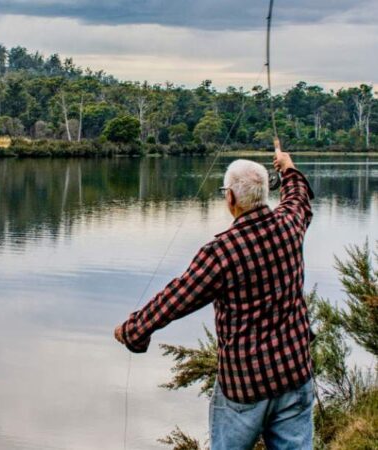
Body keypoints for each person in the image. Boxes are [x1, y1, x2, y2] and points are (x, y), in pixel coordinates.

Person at [114, 147, 315, 450]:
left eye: (225, 192)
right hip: (295, 373)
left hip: (245, 386)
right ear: (263, 194)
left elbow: (177, 297)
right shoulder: (289, 226)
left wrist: (134, 331)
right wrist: (288, 168)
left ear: (231, 198)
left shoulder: (222, 252)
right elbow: (299, 198)